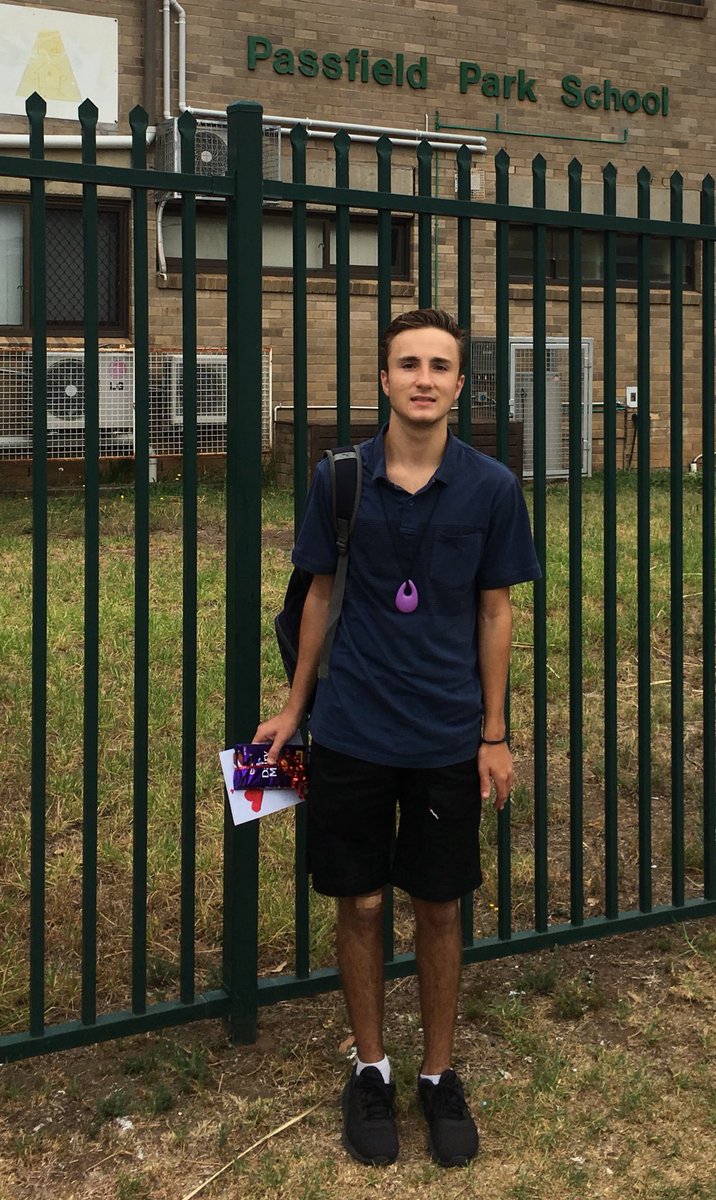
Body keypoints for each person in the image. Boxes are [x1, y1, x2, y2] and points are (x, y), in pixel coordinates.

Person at [254, 308, 540, 1168]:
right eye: (407, 363)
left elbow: (497, 611)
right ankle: (371, 1068)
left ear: (460, 385)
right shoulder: (339, 479)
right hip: (351, 729)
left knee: (440, 906)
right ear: (383, 379)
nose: (423, 378)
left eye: (439, 365)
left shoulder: (492, 487)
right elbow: (316, 597)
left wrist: (494, 731)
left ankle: (438, 1076)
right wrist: (295, 708)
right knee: (364, 902)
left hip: (449, 733)